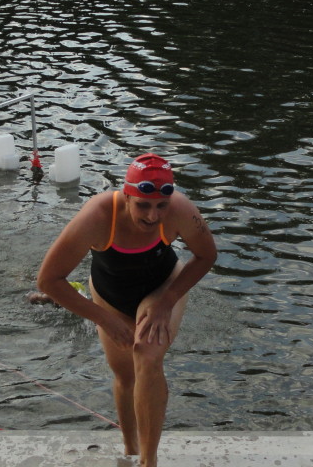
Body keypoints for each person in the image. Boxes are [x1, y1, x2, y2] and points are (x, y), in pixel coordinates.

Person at [36, 153, 217, 467]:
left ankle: (149, 461)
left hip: (161, 288)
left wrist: (167, 301)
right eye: (143, 205)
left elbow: (206, 255)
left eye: (161, 206)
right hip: (109, 296)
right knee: (124, 375)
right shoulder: (96, 216)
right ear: (127, 196)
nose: (152, 216)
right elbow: (48, 280)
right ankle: (131, 450)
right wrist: (103, 317)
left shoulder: (181, 211)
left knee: (146, 351)